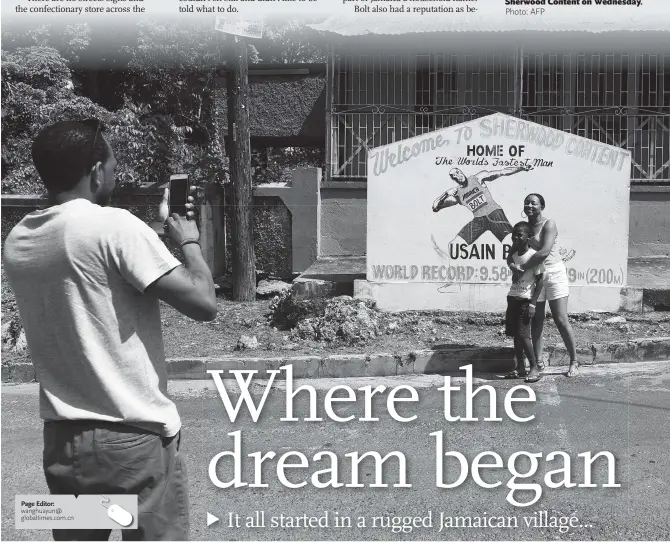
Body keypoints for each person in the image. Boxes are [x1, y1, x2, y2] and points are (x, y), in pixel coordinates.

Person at [2, 119, 217, 540]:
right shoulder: (115, 226)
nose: (115, 178)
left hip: (64, 444)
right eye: (114, 169)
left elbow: (91, 270)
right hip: (132, 438)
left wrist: (154, 234)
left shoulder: (19, 238)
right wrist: (188, 240)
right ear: (96, 171)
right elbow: (203, 303)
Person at [507, 193, 579, 377]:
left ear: (541, 206)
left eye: (534, 203)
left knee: (561, 319)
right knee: (536, 320)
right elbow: (512, 251)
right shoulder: (522, 228)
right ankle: (538, 362)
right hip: (534, 276)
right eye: (526, 203)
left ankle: (574, 361)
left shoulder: (549, 224)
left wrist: (522, 267)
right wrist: (513, 266)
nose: (529, 206)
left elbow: (545, 251)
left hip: (553, 273)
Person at [431, 165, 533, 246]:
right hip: (479, 220)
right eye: (454, 176)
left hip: (494, 214)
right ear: (454, 179)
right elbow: (435, 207)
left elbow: (502, 172)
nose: (458, 175)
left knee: (511, 244)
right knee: (454, 245)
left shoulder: (477, 178)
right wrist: (446, 194)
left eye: (458, 172)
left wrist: (521, 168)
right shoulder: (457, 194)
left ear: (461, 171)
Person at [505, 222, 544, 383]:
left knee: (524, 335)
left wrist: (533, 303)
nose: (516, 237)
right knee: (515, 335)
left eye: (520, 234)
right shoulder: (514, 256)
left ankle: (534, 367)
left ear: (528, 237)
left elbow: (541, 280)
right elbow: (509, 261)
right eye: (514, 234)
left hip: (525, 301)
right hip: (513, 298)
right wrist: (513, 266)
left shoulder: (533, 256)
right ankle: (520, 367)